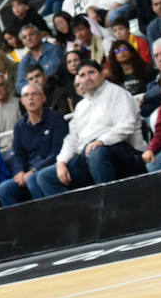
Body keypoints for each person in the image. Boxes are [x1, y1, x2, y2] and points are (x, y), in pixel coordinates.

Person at [33, 62, 146, 197]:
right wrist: (61, 162)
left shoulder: (117, 93)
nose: (87, 77)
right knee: (44, 177)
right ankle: (79, 214)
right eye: (82, 75)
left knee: (96, 154)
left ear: (102, 74)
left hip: (120, 152)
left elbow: (126, 126)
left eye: (91, 72)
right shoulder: (81, 106)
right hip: (87, 157)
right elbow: (72, 139)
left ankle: (109, 206)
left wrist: (101, 141)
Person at [0, 82, 69, 207]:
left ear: (43, 98)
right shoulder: (19, 126)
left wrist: (34, 170)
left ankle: (43, 218)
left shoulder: (55, 118)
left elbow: (58, 151)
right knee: (4, 188)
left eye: (34, 94)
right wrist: (19, 172)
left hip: (50, 166)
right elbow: (17, 154)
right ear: (22, 101)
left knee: (33, 179)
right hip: (28, 171)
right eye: (26, 95)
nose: (30, 98)